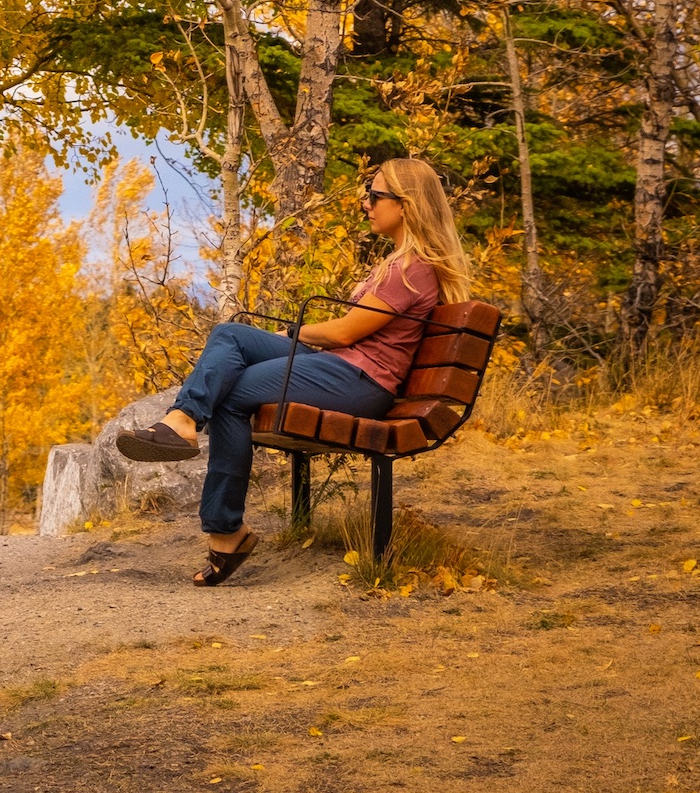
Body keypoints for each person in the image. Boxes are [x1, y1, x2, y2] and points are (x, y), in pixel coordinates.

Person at [117, 157, 471, 586]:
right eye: (368, 195)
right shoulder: (398, 263)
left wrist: (297, 331)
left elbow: (344, 333)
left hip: (358, 381)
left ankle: (225, 529)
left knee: (228, 395)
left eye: (375, 196)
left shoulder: (410, 269)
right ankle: (183, 421)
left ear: (407, 204)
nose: (366, 204)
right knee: (231, 334)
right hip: (339, 368)